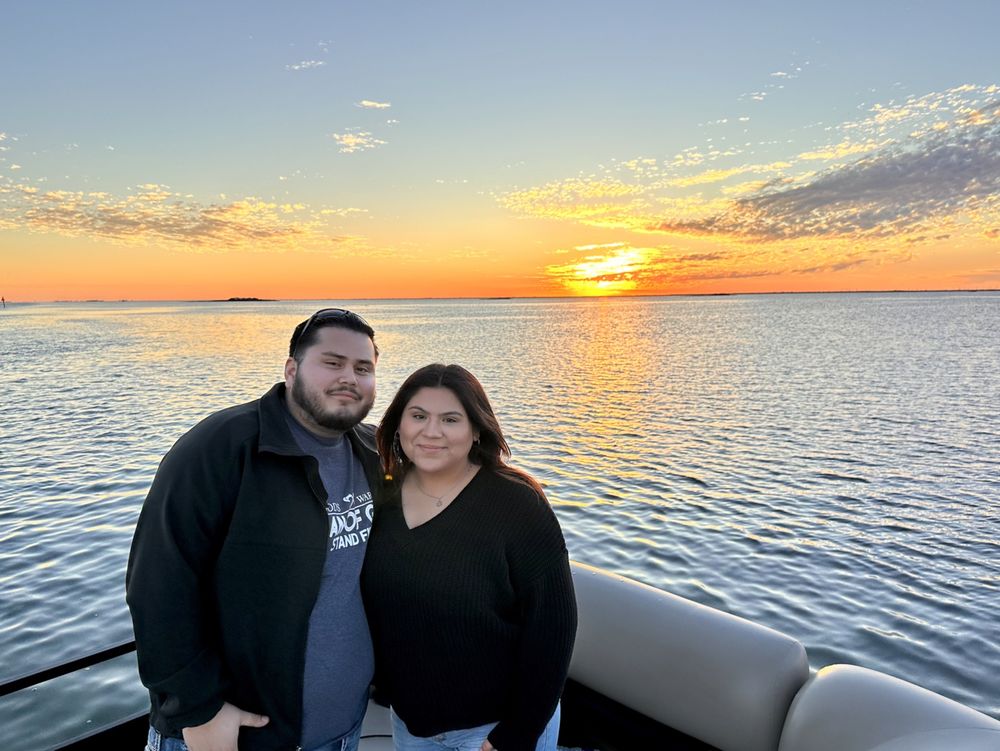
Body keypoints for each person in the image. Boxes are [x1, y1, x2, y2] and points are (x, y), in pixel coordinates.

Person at [126, 308, 383, 751]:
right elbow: (158, 585)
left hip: (343, 727)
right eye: (332, 362)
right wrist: (198, 708)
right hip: (235, 734)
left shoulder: (374, 452)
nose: (349, 378)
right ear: (291, 369)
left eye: (363, 368)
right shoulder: (221, 448)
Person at [362, 364, 577, 751]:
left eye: (450, 419)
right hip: (411, 724)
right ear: (398, 425)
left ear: (476, 429)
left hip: (494, 728)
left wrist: (515, 734)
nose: (431, 431)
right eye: (418, 416)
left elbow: (554, 629)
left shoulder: (515, 504)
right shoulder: (382, 494)